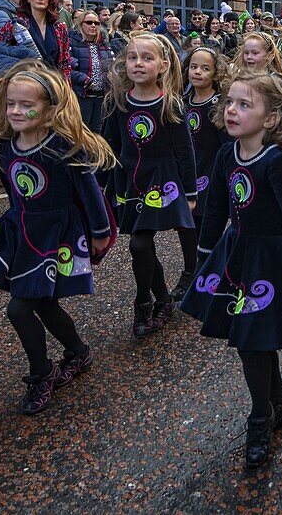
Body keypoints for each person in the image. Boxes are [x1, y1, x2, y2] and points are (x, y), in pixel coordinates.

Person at [180, 71, 282, 468]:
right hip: (240, 254)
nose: (232, 110)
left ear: (270, 119)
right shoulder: (226, 155)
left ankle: (260, 417)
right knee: (254, 339)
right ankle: (278, 402)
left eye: (245, 105)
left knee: (252, 342)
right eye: (230, 102)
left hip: (273, 262)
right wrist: (203, 258)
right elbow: (214, 210)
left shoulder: (277, 162)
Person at [0, 62, 116, 415]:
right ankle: (78, 351)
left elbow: (88, 192)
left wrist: (101, 233)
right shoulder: (4, 145)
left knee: (19, 306)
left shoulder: (63, 145)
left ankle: (42, 372)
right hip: (25, 231)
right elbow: (15, 193)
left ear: (49, 108)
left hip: (58, 234)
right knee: (41, 302)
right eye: (11, 103)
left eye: (27, 104)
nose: (16, 111)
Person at [104, 33, 198, 338]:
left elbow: (185, 152)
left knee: (139, 243)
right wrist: (103, 187)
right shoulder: (118, 102)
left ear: (162, 65)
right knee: (141, 244)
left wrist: (190, 191)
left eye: (147, 58)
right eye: (133, 58)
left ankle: (143, 301)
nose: (138, 64)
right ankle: (161, 298)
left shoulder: (170, 104)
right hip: (130, 180)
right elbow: (110, 147)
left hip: (162, 180)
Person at [171, 46, 231, 301]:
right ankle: (190, 269)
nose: (198, 72)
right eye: (194, 66)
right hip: (187, 174)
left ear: (216, 74)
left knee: (206, 225)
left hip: (211, 174)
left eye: (205, 68)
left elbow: (227, 146)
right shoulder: (181, 103)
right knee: (186, 225)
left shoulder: (218, 106)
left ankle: (210, 272)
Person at [0, 0, 72, 79]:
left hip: (53, 84)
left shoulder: (60, 28)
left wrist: (65, 88)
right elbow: (1, 52)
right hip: (24, 84)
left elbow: (65, 63)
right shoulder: (15, 25)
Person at [68, 9, 114, 132]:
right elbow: (66, 68)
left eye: (96, 23)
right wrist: (84, 79)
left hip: (101, 97)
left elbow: (111, 65)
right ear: (81, 24)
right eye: (89, 22)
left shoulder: (104, 44)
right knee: (81, 131)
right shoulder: (71, 41)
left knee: (98, 132)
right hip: (82, 96)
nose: (93, 25)